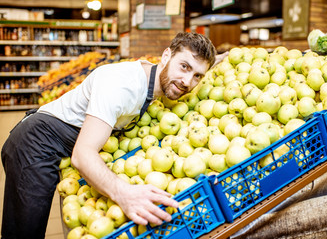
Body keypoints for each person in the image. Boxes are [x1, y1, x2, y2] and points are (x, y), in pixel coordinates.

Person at [1, 32, 224, 239]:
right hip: (35, 142)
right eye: (184, 66)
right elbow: (82, 155)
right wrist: (124, 194)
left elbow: (199, 67)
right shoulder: (122, 85)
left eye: (197, 76)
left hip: (67, 140)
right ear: (166, 56)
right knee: (25, 230)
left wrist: (224, 57)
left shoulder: (157, 80)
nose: (187, 81)